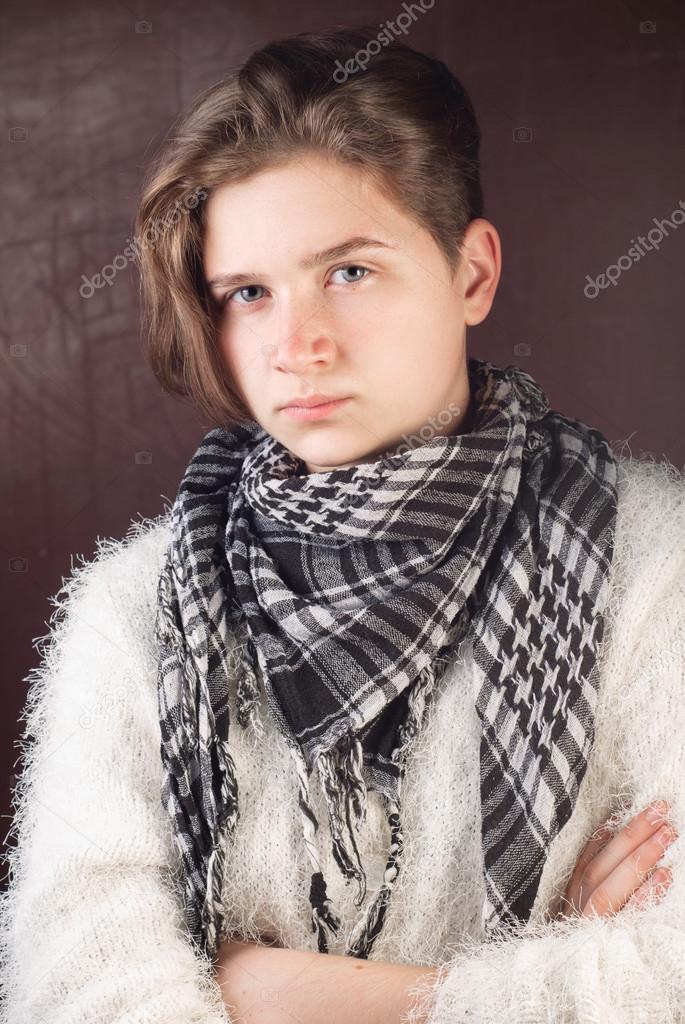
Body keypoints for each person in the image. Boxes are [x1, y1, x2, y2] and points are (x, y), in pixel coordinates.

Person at [1, 24, 684, 1024]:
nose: (296, 345)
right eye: (247, 293)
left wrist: (263, 989)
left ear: (471, 274)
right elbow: (75, 987)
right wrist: (540, 978)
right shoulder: (134, 607)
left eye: (349, 271)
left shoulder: (656, 564)